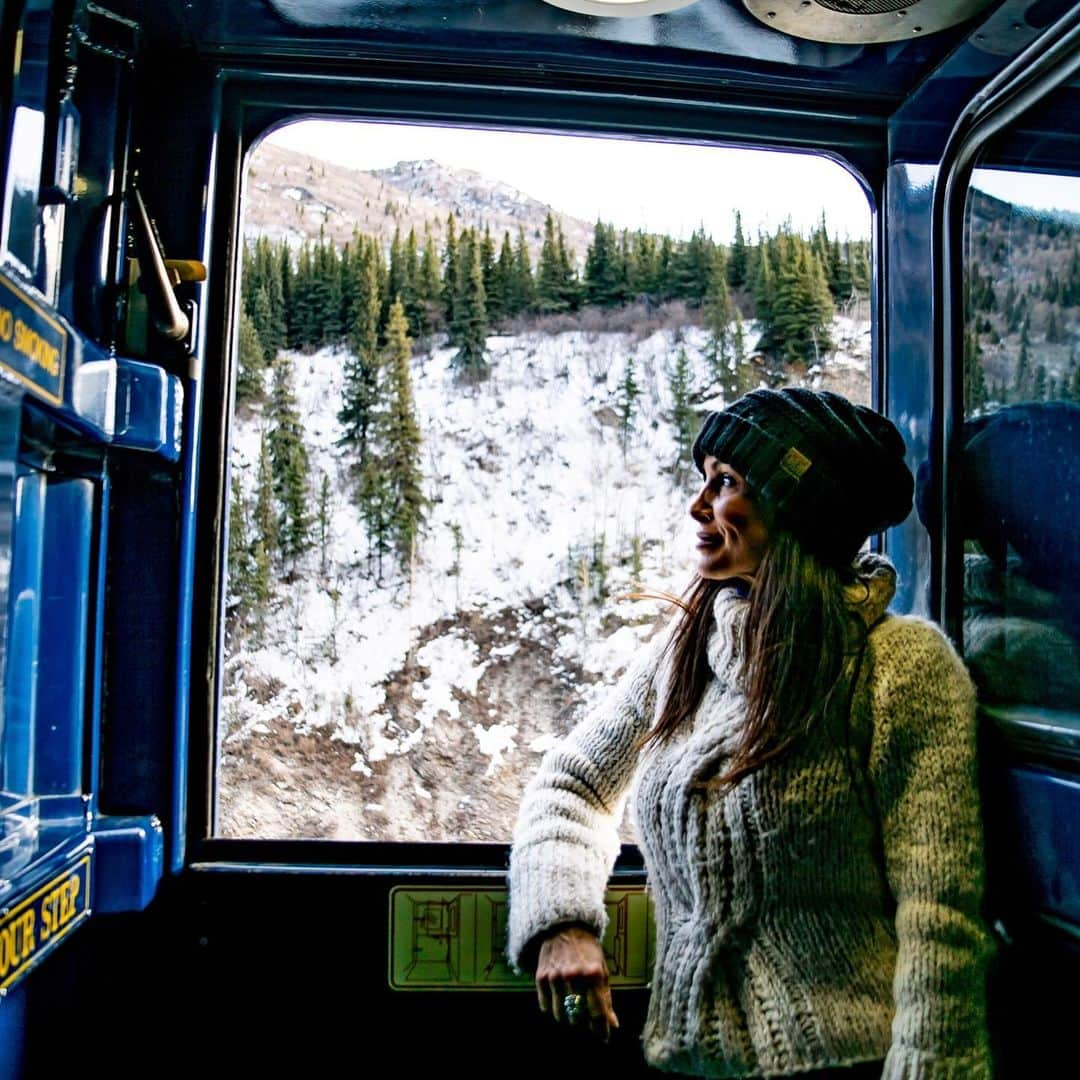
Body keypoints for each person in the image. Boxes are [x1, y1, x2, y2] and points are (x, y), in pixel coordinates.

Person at [507, 388, 993, 1079]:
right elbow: (573, 785)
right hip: (690, 1059)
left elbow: (937, 911)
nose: (698, 505)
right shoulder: (684, 654)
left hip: (850, 1063)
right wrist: (562, 922)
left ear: (797, 508)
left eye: (726, 482)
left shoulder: (900, 667)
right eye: (703, 480)